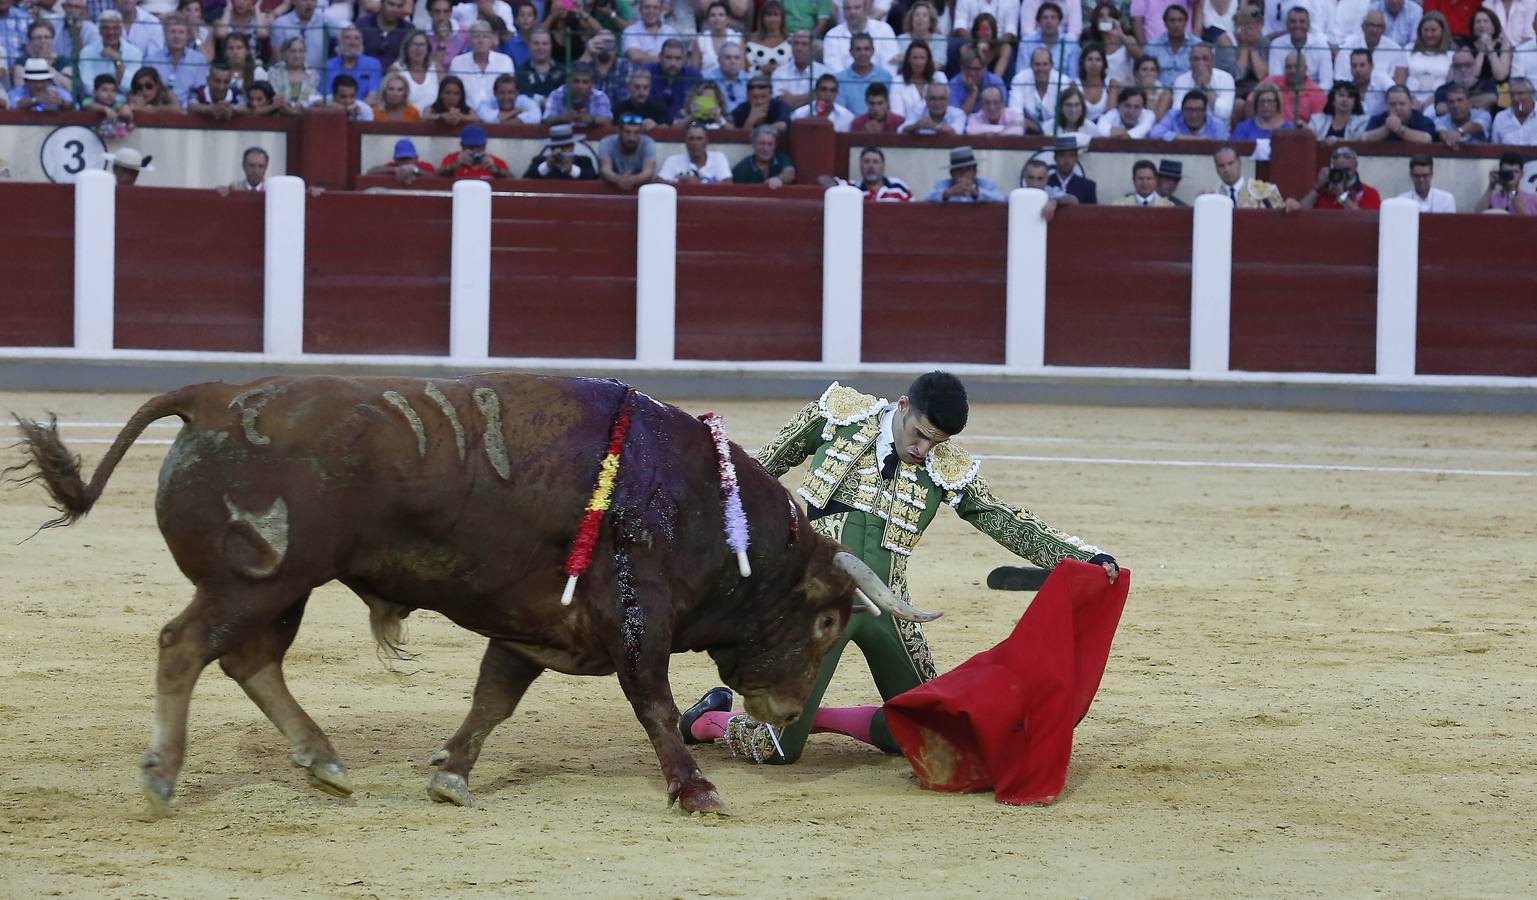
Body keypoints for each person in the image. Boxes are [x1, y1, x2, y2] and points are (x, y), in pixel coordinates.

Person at [678, 373, 1119, 765]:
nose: (923, 450)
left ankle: (815, 719)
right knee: (775, 749)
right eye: (921, 435)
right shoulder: (840, 415)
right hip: (814, 604)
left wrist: (1084, 556)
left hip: (889, 610)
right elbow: (758, 473)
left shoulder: (947, 467)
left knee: (923, 730)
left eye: (936, 443)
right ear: (903, 406)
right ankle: (711, 719)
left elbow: (1001, 517)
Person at [142, 14, 207, 107]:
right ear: (165, 34)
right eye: (172, 32)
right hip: (158, 111)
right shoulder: (151, 61)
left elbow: (199, 90)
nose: (177, 36)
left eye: (181, 32)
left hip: (189, 112)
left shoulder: (198, 60)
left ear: (187, 36)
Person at [449, 19, 514, 109]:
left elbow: (509, 93)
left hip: (498, 116)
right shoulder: (457, 63)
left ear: (491, 40)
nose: (480, 40)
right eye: (476, 36)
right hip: (466, 117)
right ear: (470, 40)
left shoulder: (505, 62)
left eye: (485, 36)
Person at [1208, 144, 1297, 209]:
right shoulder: (1210, 196)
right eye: (1221, 166)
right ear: (1216, 168)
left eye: (1230, 163)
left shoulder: (1264, 191)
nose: (1226, 169)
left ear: (1239, 162)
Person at [1333, 9, 1409, 85]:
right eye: (1371, 25)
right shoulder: (1347, 49)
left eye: (1379, 26)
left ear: (1384, 30)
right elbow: (1340, 80)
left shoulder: (1396, 50)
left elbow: (1397, 86)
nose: (1375, 30)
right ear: (1363, 27)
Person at [823, 0, 897, 75]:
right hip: (845, 85)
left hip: (880, 84)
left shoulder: (884, 30)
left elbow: (889, 66)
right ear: (843, 11)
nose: (852, 12)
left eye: (857, 8)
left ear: (865, 10)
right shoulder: (832, 35)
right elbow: (834, 68)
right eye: (848, 8)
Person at [1009, 46, 1076, 128]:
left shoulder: (1062, 81)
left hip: (1056, 130)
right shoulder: (1019, 79)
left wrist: (1041, 129)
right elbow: (1015, 114)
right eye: (1037, 64)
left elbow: (1066, 114)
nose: (1041, 69)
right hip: (1026, 131)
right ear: (1031, 65)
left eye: (1045, 64)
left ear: (1052, 65)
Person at [1300, 145, 1381, 210]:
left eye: (1347, 156)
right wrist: (1318, 186)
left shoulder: (1369, 192)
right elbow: (1301, 213)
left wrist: (1341, 195)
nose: (1341, 159)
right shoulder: (1323, 191)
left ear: (1356, 165)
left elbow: (1365, 221)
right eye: (1336, 157)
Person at [79, 10, 143, 92]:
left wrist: (117, 60)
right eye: (106, 28)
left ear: (121, 30)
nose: (111, 32)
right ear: (99, 30)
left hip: (125, 101)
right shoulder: (87, 52)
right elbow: (88, 87)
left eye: (115, 28)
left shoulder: (135, 52)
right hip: (95, 100)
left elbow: (129, 86)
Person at [1172, 41, 1234, 124]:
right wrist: (1196, 88)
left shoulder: (1226, 78)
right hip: (1188, 130)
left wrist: (1206, 86)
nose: (1201, 63)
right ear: (1190, 62)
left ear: (1213, 60)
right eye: (1196, 59)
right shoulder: (1180, 80)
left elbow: (1225, 114)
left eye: (1205, 59)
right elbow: (1176, 112)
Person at [1258, 50, 1326, 122]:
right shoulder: (1271, 82)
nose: (1292, 71)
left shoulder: (1316, 93)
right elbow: (1250, 103)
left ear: (1305, 68)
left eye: (1296, 67)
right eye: (1288, 67)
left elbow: (1317, 125)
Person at [656, 119, 733, 183]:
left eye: (699, 139)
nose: (695, 143)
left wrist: (700, 185)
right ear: (685, 142)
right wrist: (679, 180)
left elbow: (728, 183)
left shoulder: (718, 158)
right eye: (691, 139)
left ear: (706, 142)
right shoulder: (673, 160)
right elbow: (658, 182)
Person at [1020, 1, 1082, 79]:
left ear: (1059, 21)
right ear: (1038, 22)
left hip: (1063, 88)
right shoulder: (1026, 43)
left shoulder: (1071, 45)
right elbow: (1021, 75)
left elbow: (1073, 77)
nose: (1049, 21)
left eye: (1053, 17)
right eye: (1045, 18)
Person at [833, 32, 890, 115]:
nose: (862, 53)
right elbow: (840, 111)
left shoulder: (885, 77)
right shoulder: (839, 79)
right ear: (851, 52)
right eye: (858, 49)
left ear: (873, 51)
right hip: (848, 126)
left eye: (866, 49)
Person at [543, 61, 614, 126]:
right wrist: (562, 119)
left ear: (591, 84)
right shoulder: (557, 94)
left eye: (585, 82)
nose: (580, 86)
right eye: (576, 81)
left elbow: (608, 122)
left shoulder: (599, 96)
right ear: (568, 82)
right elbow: (546, 120)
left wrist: (590, 119)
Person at [1407, 12, 1456, 108]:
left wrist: (1433, 100)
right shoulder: (1408, 49)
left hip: (1438, 101)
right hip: (1409, 101)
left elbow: (1450, 85)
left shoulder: (1452, 54)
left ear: (1442, 31)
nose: (1429, 34)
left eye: (1433, 30)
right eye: (1425, 30)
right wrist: (1411, 99)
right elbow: (1399, 82)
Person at [926, 144, 1005, 202]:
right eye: (959, 170)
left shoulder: (987, 184)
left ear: (975, 172)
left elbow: (1001, 199)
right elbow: (926, 199)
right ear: (952, 173)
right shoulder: (942, 185)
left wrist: (976, 193)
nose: (963, 174)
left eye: (967, 170)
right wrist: (948, 193)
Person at [598, 112, 657, 190]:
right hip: (611, 189)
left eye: (636, 133)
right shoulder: (606, 142)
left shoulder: (648, 143)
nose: (631, 137)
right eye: (627, 132)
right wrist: (619, 179)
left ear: (641, 132)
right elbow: (605, 169)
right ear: (619, 131)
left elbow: (648, 171)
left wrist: (632, 180)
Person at [1362, 83, 1438, 141]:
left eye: (1402, 104)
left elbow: (1427, 139)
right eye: (1392, 104)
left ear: (1411, 103)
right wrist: (1386, 128)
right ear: (1386, 105)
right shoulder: (1378, 119)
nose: (1397, 108)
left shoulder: (1422, 120)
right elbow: (1365, 138)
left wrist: (1399, 129)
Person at [522, 122, 600, 178]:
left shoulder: (584, 161)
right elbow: (526, 179)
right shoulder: (538, 161)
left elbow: (593, 178)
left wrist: (571, 170)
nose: (561, 151)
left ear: (572, 147)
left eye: (566, 146)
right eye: (557, 147)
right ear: (551, 148)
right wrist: (547, 166)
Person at [646, 38, 698, 121]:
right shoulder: (648, 73)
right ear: (660, 57)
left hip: (686, 126)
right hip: (652, 125)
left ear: (684, 59)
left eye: (678, 58)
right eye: (668, 58)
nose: (673, 63)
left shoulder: (694, 76)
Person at [731, 122, 796, 187]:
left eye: (770, 144)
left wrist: (778, 179)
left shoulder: (782, 158)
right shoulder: (742, 168)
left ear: (775, 145)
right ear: (754, 144)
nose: (765, 149)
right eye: (762, 143)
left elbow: (790, 173)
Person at [437, 123, 511, 179]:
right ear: (462, 146)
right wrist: (454, 165)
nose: (475, 150)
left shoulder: (494, 162)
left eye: (479, 147)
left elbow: (512, 180)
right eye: (471, 147)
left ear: (485, 146)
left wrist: (496, 170)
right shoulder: (452, 159)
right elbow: (435, 177)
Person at [270, 0, 328, 70]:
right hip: (288, 78)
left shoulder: (325, 22)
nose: (309, 3)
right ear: (294, 1)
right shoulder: (280, 24)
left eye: (313, 0)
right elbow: (278, 60)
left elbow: (343, 33)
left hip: (321, 78)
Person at [1143, 4, 1193, 86]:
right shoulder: (1152, 46)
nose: (1176, 25)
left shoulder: (1197, 45)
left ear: (1186, 23)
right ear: (1165, 23)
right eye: (1172, 20)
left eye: (1180, 20)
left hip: (1188, 90)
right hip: (1159, 91)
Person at [947, 46, 1005, 116]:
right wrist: (973, 93)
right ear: (962, 68)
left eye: (976, 69)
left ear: (984, 69)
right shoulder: (954, 84)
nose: (972, 73)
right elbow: (958, 118)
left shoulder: (995, 81)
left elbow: (1003, 110)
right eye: (968, 68)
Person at [1150, 86, 1228, 138]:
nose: (1193, 115)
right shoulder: (1173, 116)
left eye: (1198, 110)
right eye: (1189, 110)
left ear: (1205, 111)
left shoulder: (1216, 124)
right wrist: (1187, 139)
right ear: (1182, 110)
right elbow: (1154, 133)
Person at [514, 29, 564, 106]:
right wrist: (540, 100)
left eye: (545, 44)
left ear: (551, 46)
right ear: (529, 45)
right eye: (536, 43)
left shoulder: (563, 71)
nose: (540, 47)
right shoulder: (519, 72)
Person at [622, 0, 680, 65]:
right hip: (638, 73)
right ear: (640, 10)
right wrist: (667, 59)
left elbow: (679, 58)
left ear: (661, 11)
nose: (651, 11)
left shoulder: (671, 31)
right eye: (646, 7)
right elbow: (636, 57)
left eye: (655, 8)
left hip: (666, 74)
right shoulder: (630, 31)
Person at [358, 0, 416, 65]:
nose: (395, 10)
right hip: (367, 72)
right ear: (382, 4)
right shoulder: (362, 25)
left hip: (396, 73)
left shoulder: (409, 30)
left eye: (399, 6)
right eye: (391, 4)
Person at [270, 36, 322, 107]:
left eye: (301, 51)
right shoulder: (274, 72)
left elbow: (312, 99)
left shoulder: (313, 74)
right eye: (293, 51)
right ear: (285, 53)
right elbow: (274, 97)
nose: (297, 55)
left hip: (305, 114)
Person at [690, 0, 742, 71]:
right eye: (713, 15)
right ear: (708, 20)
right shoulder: (700, 40)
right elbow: (694, 72)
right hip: (706, 81)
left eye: (721, 15)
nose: (717, 18)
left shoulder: (737, 38)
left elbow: (742, 70)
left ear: (728, 19)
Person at [791, 72, 855, 128]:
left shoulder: (847, 117)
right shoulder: (799, 115)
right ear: (816, 92)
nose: (828, 94)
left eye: (832, 90)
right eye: (823, 89)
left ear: (837, 93)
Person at [365, 137, 438, 185]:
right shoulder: (392, 166)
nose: (405, 162)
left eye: (408, 158)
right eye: (402, 159)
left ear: (416, 158)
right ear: (395, 159)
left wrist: (416, 170)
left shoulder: (425, 166)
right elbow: (370, 172)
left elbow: (437, 178)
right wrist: (395, 170)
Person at [1045, 134, 1095, 202]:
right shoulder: (1044, 182)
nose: (1066, 160)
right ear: (1055, 158)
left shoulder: (1088, 186)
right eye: (1062, 155)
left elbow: (1092, 212)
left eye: (1071, 155)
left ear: (1076, 159)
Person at [1491, 76, 1537, 143]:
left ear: (1532, 93)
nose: (1515, 98)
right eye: (1512, 94)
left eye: (1520, 93)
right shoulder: (1501, 118)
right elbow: (1494, 148)